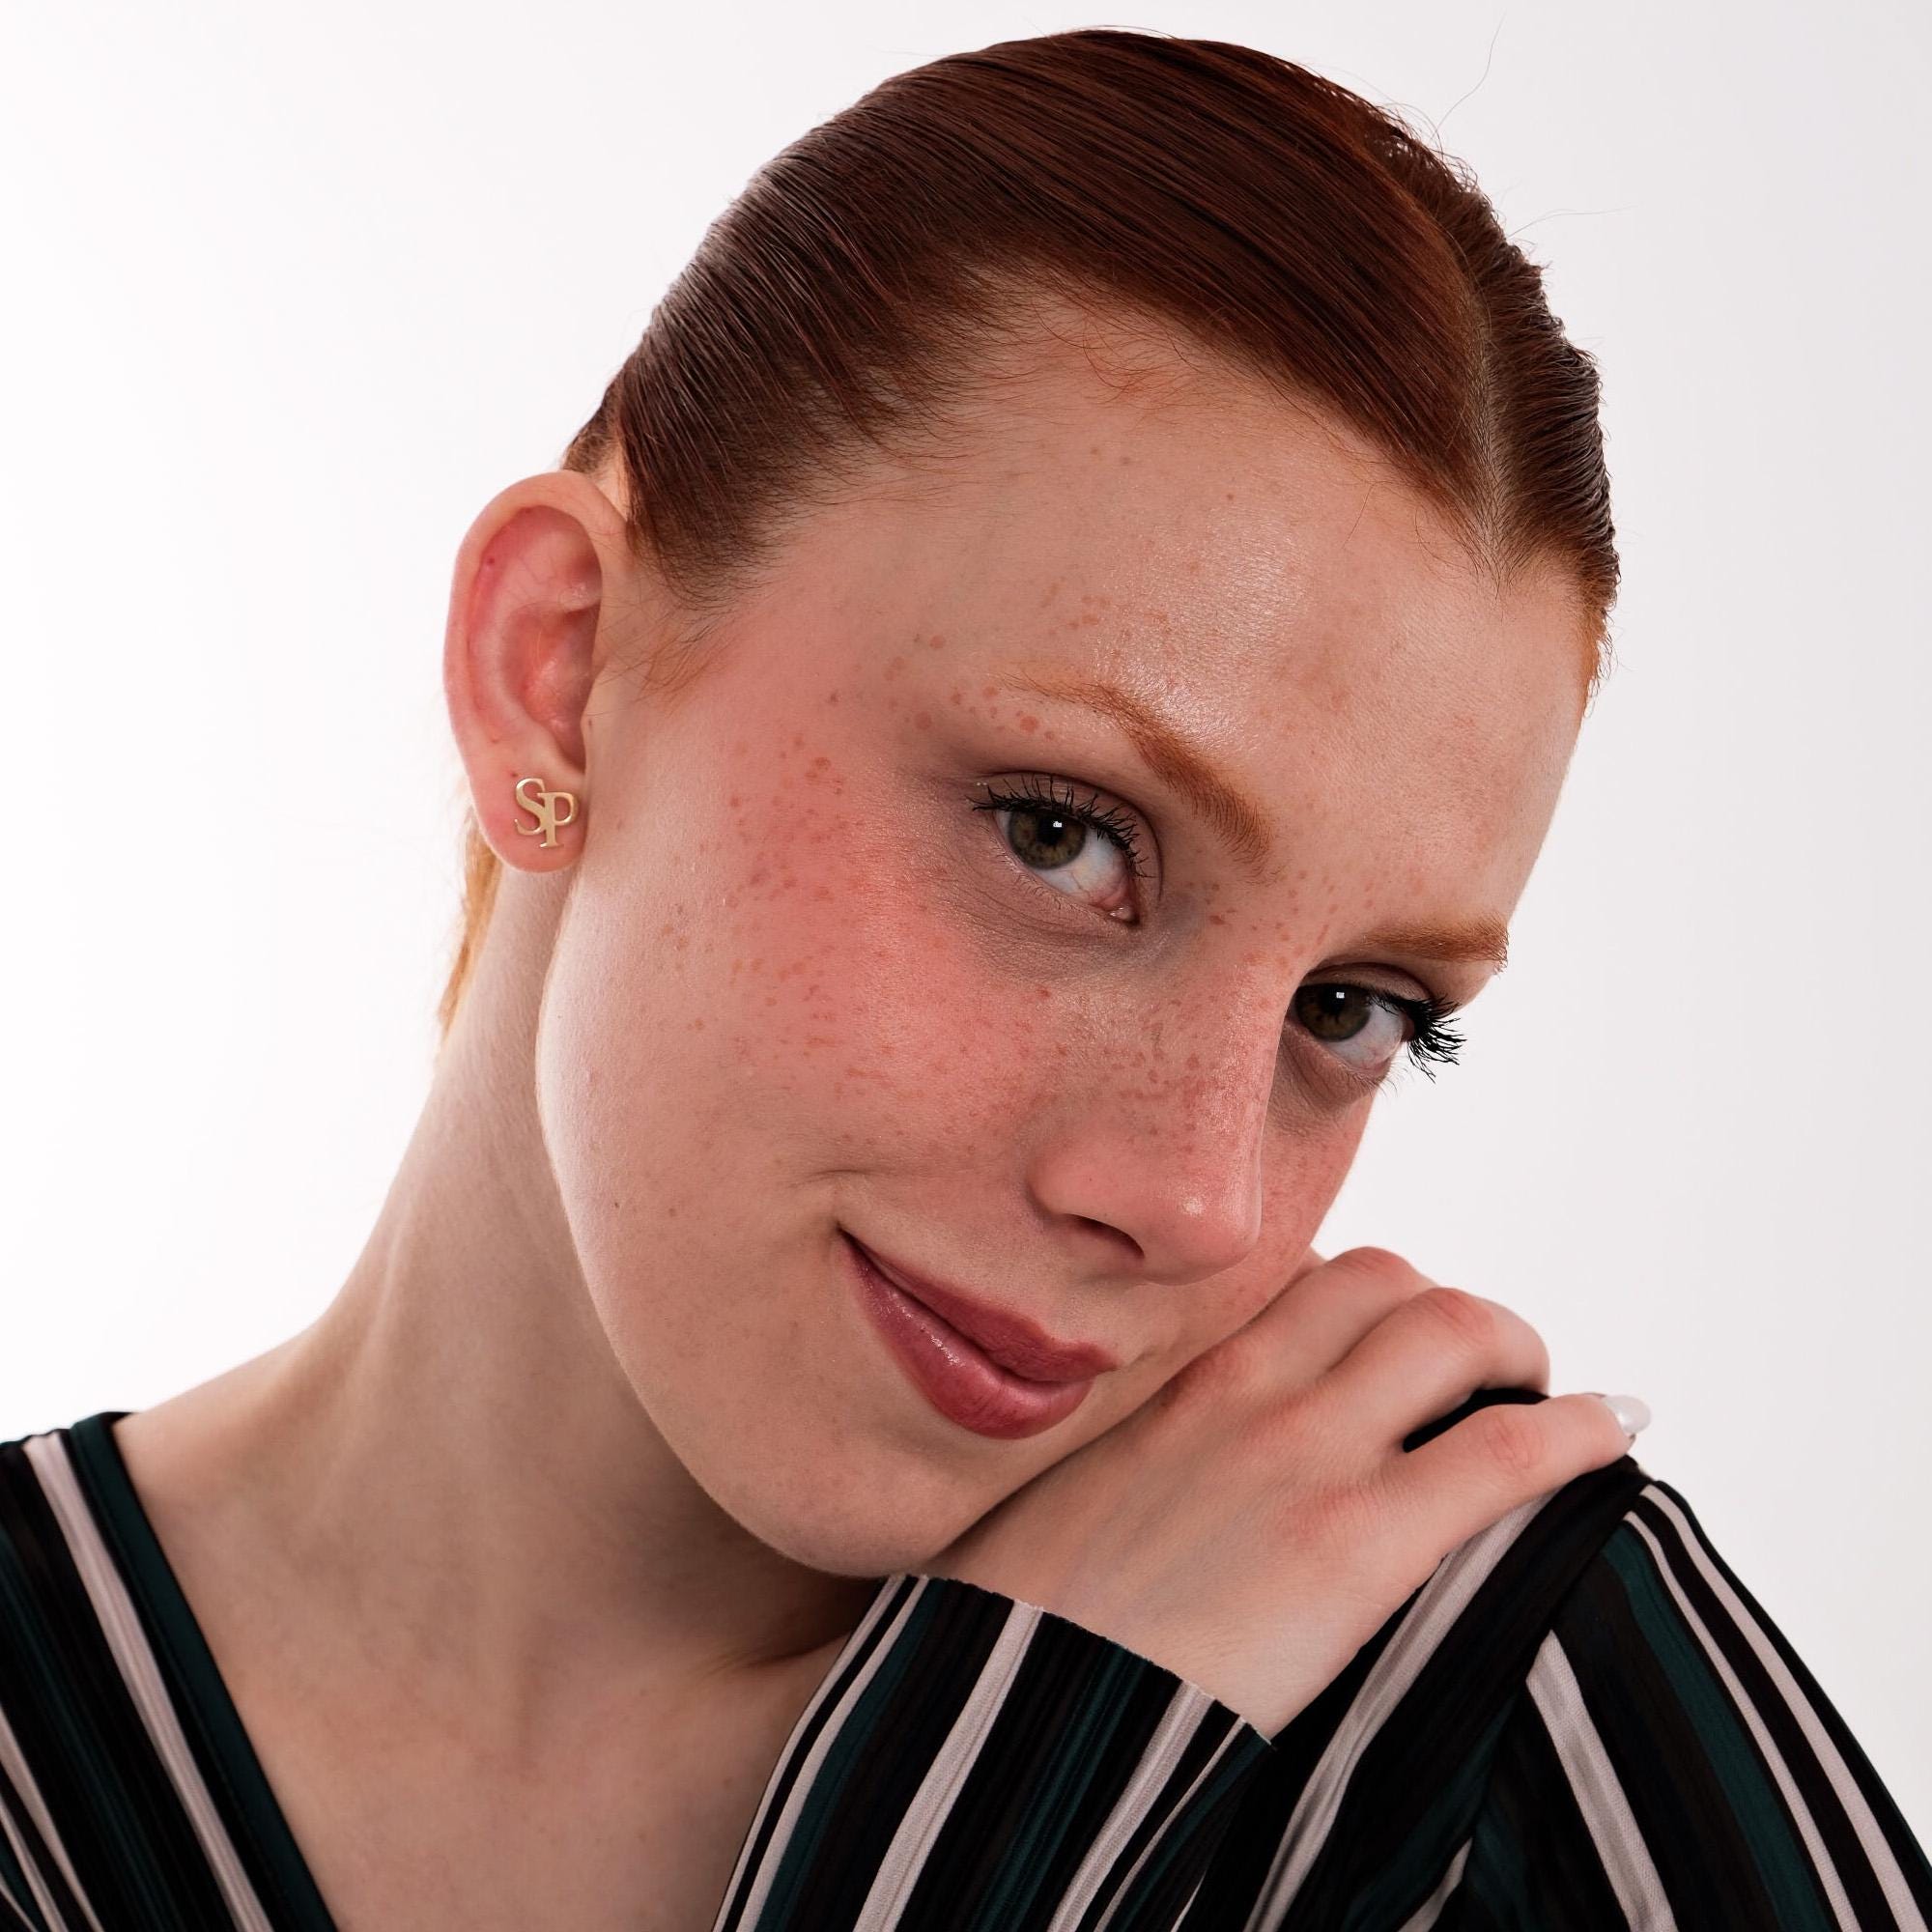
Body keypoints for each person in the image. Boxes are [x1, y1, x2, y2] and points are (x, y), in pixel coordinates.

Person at [3, 25, 1927, 1932]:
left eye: (1348, 1008)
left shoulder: (1485, 1704)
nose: (1191, 1195)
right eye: (1059, 833)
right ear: (556, 662)